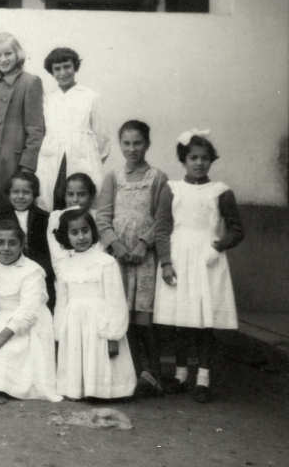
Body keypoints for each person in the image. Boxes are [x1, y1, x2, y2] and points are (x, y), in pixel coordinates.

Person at [154, 130, 244, 403]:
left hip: (207, 260)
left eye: (205, 158)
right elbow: (162, 228)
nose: (199, 163)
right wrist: (166, 262)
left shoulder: (220, 191)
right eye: (193, 158)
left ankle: (203, 378)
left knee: (205, 324)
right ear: (184, 160)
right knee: (181, 321)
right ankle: (181, 375)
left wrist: (217, 247)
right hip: (179, 258)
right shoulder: (172, 189)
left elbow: (237, 230)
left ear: (211, 161)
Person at [94, 119, 168, 396]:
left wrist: (143, 245)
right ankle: (131, 375)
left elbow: (162, 218)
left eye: (137, 143)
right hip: (118, 257)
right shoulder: (113, 177)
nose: (132, 148)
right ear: (120, 145)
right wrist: (116, 245)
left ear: (147, 144)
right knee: (121, 314)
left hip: (144, 257)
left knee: (143, 318)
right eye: (126, 143)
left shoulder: (158, 178)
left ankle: (154, 374)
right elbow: (103, 217)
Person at [0, 219, 61, 402]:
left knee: (10, 361)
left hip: (26, 325)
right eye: (0, 243)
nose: (5, 248)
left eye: (12, 243)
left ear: (22, 245)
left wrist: (0, 338)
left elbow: (28, 311)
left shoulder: (32, 271)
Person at [52, 208, 136, 399]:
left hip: (99, 323)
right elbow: (62, 301)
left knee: (99, 357)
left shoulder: (106, 262)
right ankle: (78, 388)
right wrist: (59, 332)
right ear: (66, 236)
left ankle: (102, 390)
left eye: (85, 230)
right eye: (74, 233)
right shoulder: (64, 265)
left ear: (93, 231)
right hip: (74, 322)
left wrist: (113, 335)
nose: (81, 237)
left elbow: (115, 300)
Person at [0, 33, 45, 213]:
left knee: (8, 211)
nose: (3, 59)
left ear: (17, 54)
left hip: (11, 161)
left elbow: (36, 129)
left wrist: (27, 167)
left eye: (8, 54)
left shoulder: (30, 82)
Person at [36, 48, 109, 211]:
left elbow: (102, 138)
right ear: (52, 72)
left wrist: (91, 158)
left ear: (75, 67)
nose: (63, 73)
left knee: (81, 203)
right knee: (53, 201)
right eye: (57, 69)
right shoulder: (48, 100)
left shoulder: (90, 97)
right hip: (52, 160)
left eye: (67, 67)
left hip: (82, 159)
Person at [0, 172, 53, 310]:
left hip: (39, 270)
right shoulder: (0, 217)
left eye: (26, 192)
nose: (20, 196)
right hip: (10, 270)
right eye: (15, 192)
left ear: (34, 194)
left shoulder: (44, 217)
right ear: (9, 194)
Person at [46, 172, 98, 264]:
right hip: (67, 266)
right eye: (70, 194)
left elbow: (99, 248)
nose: (75, 200)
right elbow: (56, 252)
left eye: (81, 195)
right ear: (64, 196)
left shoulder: (96, 216)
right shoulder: (55, 217)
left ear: (91, 196)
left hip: (95, 265)